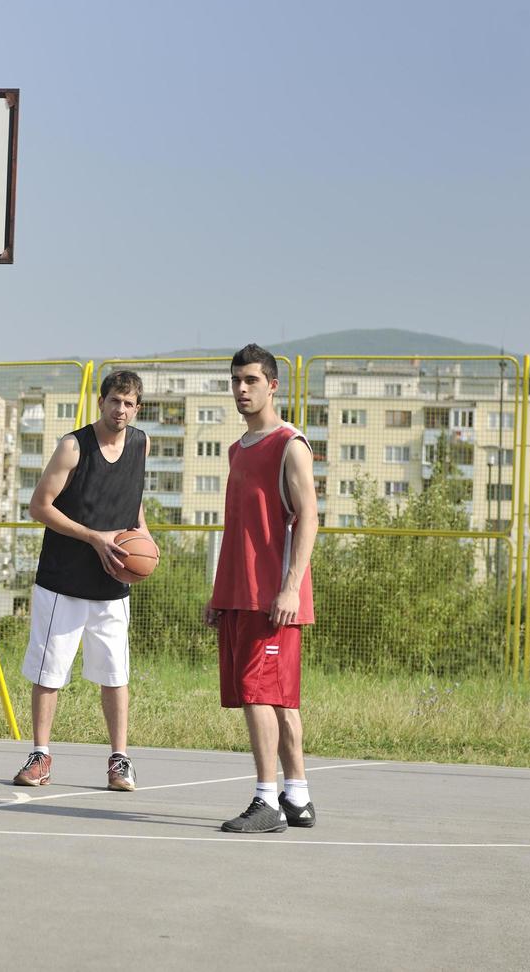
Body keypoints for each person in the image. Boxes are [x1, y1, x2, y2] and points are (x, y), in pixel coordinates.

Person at [12, 370, 150, 791]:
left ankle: (119, 760)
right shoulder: (74, 446)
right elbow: (39, 506)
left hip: (112, 586)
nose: (120, 410)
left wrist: (142, 538)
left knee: (115, 674)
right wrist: (94, 538)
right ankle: (40, 755)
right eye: (114, 401)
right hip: (62, 583)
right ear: (101, 402)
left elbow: (134, 501)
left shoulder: (141, 444)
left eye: (128, 403)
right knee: (50, 672)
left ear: (137, 407)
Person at [204, 343, 317, 833]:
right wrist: (219, 592)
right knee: (279, 697)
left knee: (258, 693)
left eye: (251, 380)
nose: (241, 389)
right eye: (235, 381)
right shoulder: (237, 449)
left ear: (273, 385)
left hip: (274, 595)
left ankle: (266, 800)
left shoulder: (290, 444)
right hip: (239, 591)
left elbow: (309, 518)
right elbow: (239, 529)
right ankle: (299, 796)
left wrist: (291, 587)